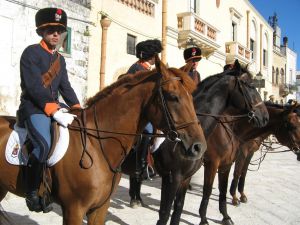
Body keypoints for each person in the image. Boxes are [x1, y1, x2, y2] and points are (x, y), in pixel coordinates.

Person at [16, 8, 81, 212]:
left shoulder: (60, 59)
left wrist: (77, 107)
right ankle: (32, 191)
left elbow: (65, 87)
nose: (55, 34)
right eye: (50, 29)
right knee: (43, 146)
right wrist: (53, 109)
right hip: (34, 108)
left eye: (59, 30)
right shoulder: (31, 53)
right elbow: (33, 87)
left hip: (55, 109)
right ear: (42, 32)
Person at [127, 39, 162, 179]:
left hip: (143, 109)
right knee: (147, 130)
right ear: (152, 56)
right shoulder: (138, 69)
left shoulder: (143, 68)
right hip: (135, 111)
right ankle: (141, 164)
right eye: (156, 55)